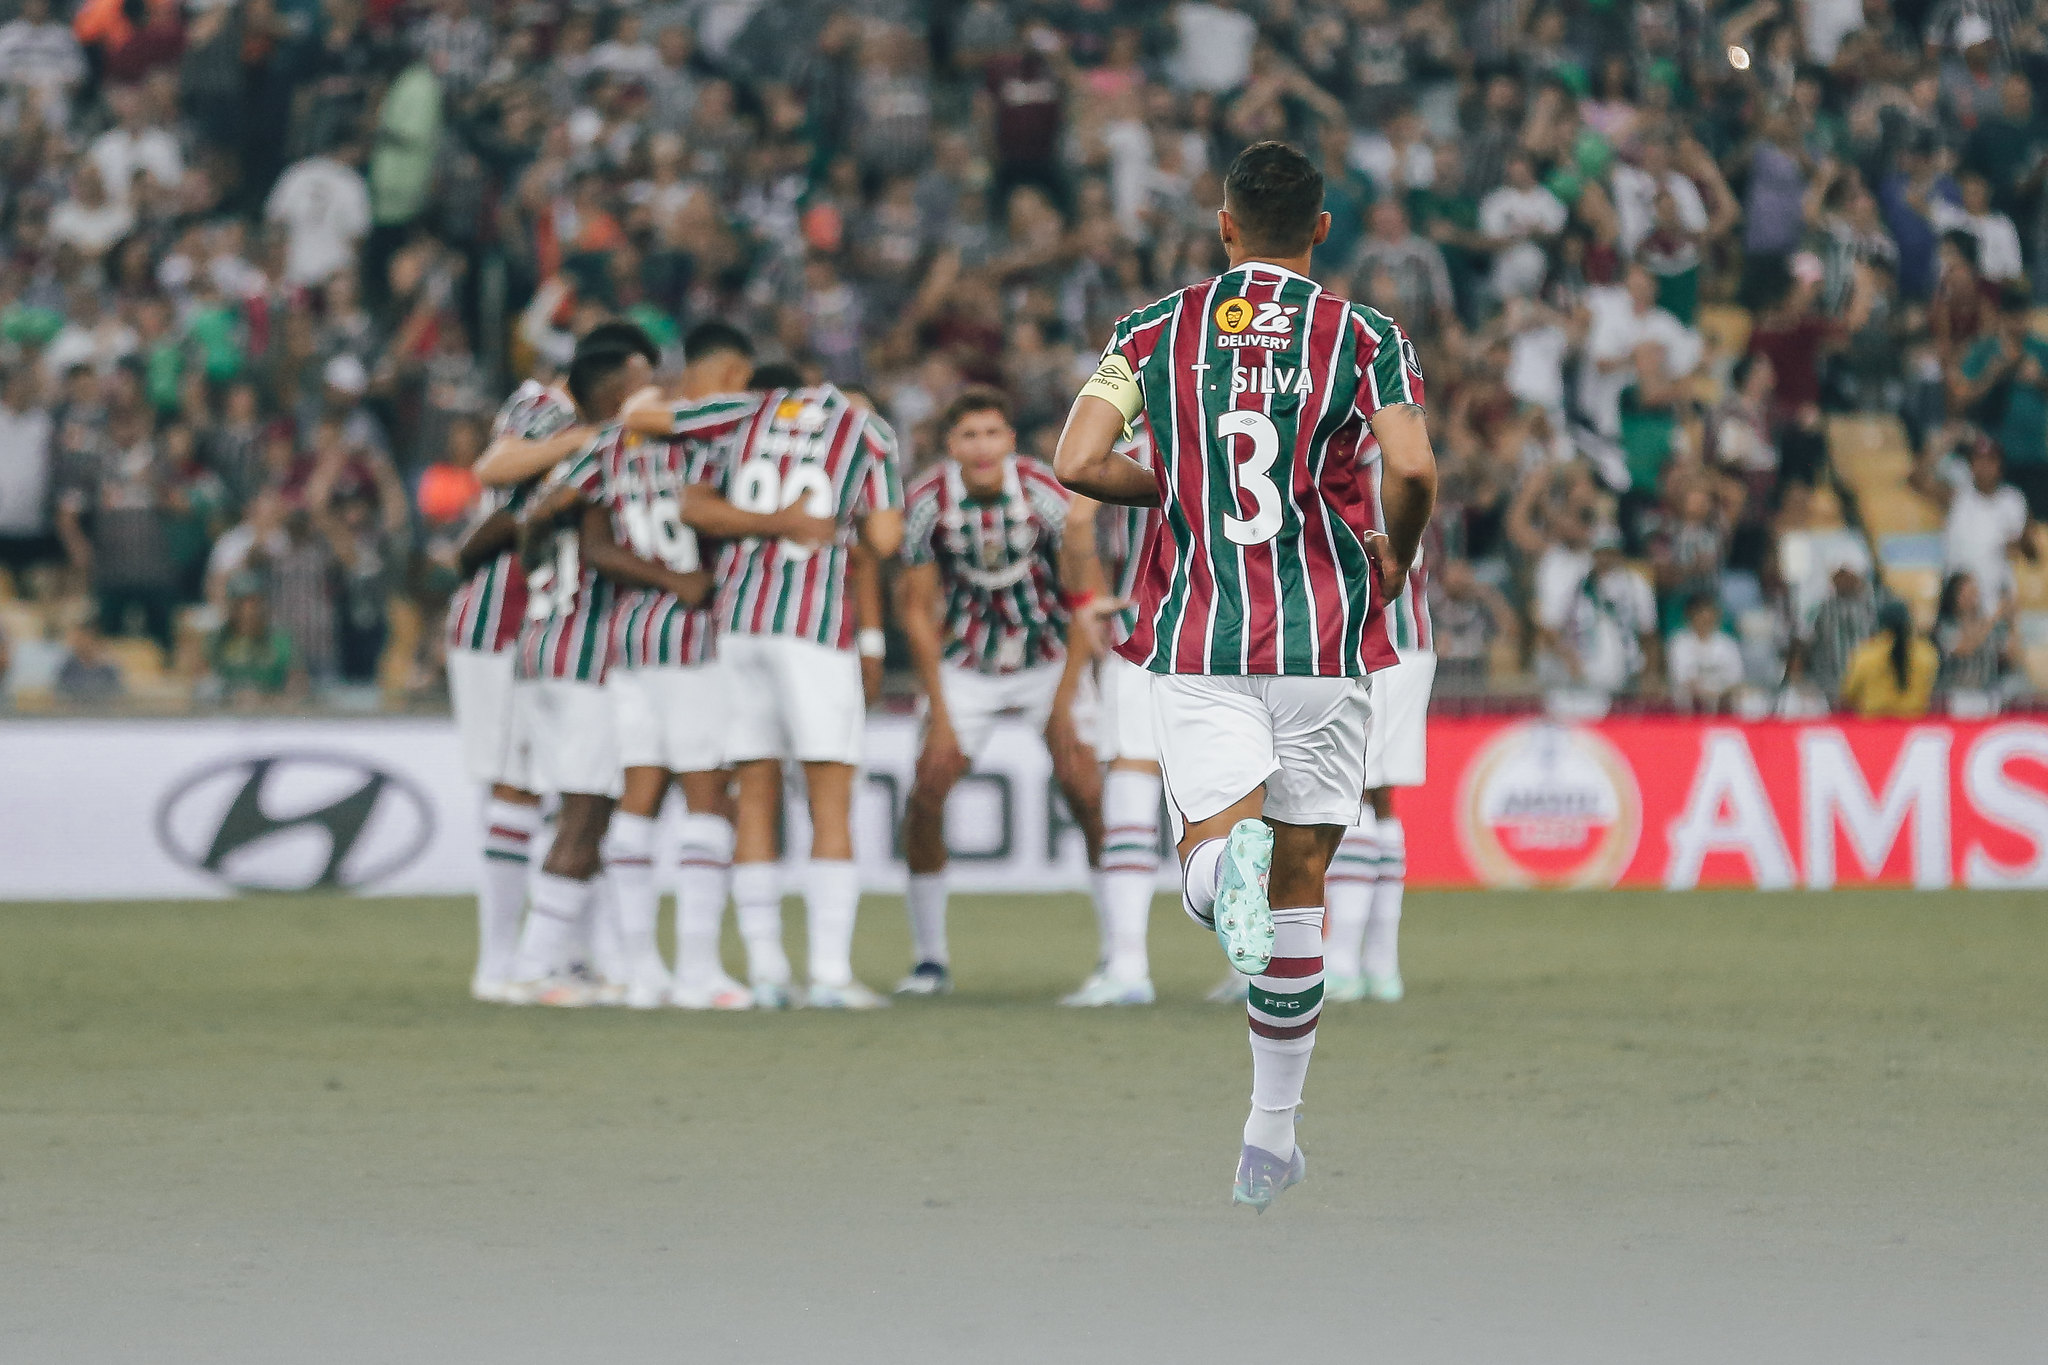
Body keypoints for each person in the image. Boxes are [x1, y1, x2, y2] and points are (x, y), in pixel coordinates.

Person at [1053, 141, 1437, 1211]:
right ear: (1321, 230)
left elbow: (1075, 463)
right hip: (1322, 639)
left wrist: (1175, 488)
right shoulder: (1366, 336)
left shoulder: (1148, 332)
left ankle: (1215, 873)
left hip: (1202, 635)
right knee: (1300, 883)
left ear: (1222, 227)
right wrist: (1394, 551)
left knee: (1217, 854)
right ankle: (1269, 1136)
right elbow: (1408, 467)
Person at [621, 362, 905, 1009]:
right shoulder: (866, 429)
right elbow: (885, 538)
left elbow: (641, 417)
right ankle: (829, 974)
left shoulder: (742, 415)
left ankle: (768, 967)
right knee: (829, 799)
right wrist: (829, 520)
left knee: (754, 793)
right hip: (813, 628)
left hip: (740, 623)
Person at [596, 323, 834, 1010]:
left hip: (629, 633)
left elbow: (580, 515)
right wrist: (784, 522)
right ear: (732, 375)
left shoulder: (622, 439)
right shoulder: (715, 438)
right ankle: (698, 969)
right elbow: (703, 515)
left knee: (639, 794)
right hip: (695, 632)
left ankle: (640, 971)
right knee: (708, 797)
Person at [500, 326, 712, 1006]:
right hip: (584, 648)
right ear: (622, 389)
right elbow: (597, 551)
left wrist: (537, 552)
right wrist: (674, 580)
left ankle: (597, 958)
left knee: (594, 805)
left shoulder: (580, 464)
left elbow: (537, 520)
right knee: (589, 810)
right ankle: (536, 965)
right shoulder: (615, 452)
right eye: (646, 376)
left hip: (542, 642)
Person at [893, 386, 1104, 998]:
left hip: (1049, 654)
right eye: (968, 436)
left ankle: (1118, 955)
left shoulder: (1046, 494)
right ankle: (929, 958)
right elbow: (917, 610)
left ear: (1009, 439)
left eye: (991, 433)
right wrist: (941, 711)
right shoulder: (926, 503)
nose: (981, 447)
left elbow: (1084, 593)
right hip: (967, 662)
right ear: (950, 445)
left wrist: (1065, 701)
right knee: (928, 786)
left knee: (1085, 788)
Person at [445, 375, 587, 1004]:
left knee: (559, 789)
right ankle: (500, 962)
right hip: (499, 622)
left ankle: (556, 954)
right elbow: (493, 466)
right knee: (513, 785)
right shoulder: (545, 406)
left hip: (555, 623)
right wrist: (583, 437)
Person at [1059, 430, 1166, 1008]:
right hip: (1240, 635)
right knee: (1243, 806)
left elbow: (1076, 523)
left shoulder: (1142, 440)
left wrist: (1087, 603)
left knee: (1131, 786)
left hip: (1144, 633)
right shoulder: (1268, 422)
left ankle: (1129, 965)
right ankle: (1261, 968)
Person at [1840, 600, 1938, 717]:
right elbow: (1931, 692)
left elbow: (1849, 695)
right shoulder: (1926, 653)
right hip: (1913, 725)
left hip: (1873, 727)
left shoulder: (1866, 654)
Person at [1667, 592, 1747, 713]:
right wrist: (1707, 694)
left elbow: (1736, 679)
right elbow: (1682, 679)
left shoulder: (1727, 644)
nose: (1706, 618)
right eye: (1701, 613)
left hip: (1723, 701)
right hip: (1690, 705)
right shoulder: (1679, 643)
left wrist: (1719, 694)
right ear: (1691, 615)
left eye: (1709, 613)